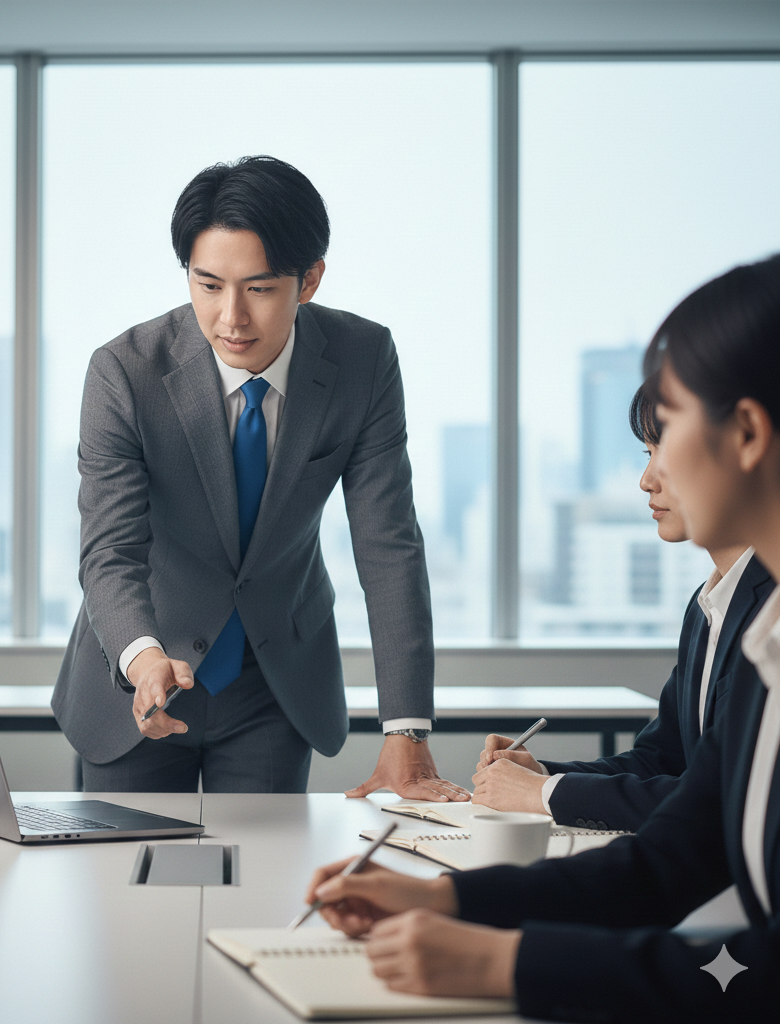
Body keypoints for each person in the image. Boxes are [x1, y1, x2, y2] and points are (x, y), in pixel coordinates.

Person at [305, 253, 780, 1020]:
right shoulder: (767, 649)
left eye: (668, 424)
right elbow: (667, 862)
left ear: (748, 432)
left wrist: (505, 964)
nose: (648, 472)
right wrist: (446, 899)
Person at [52, 156, 469, 799]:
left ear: (310, 280)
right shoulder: (124, 373)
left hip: (273, 682)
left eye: (260, 288)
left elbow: (388, 545)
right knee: (125, 864)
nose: (231, 318)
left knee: (266, 863)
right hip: (141, 669)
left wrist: (406, 729)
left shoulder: (362, 361)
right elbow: (110, 549)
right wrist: (142, 657)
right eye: (208, 285)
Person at [472, 379, 774, 831]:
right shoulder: (707, 605)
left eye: (664, 454)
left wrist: (543, 793)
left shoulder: (770, 611)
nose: (646, 480)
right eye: (647, 454)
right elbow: (663, 759)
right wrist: (543, 775)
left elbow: (718, 799)